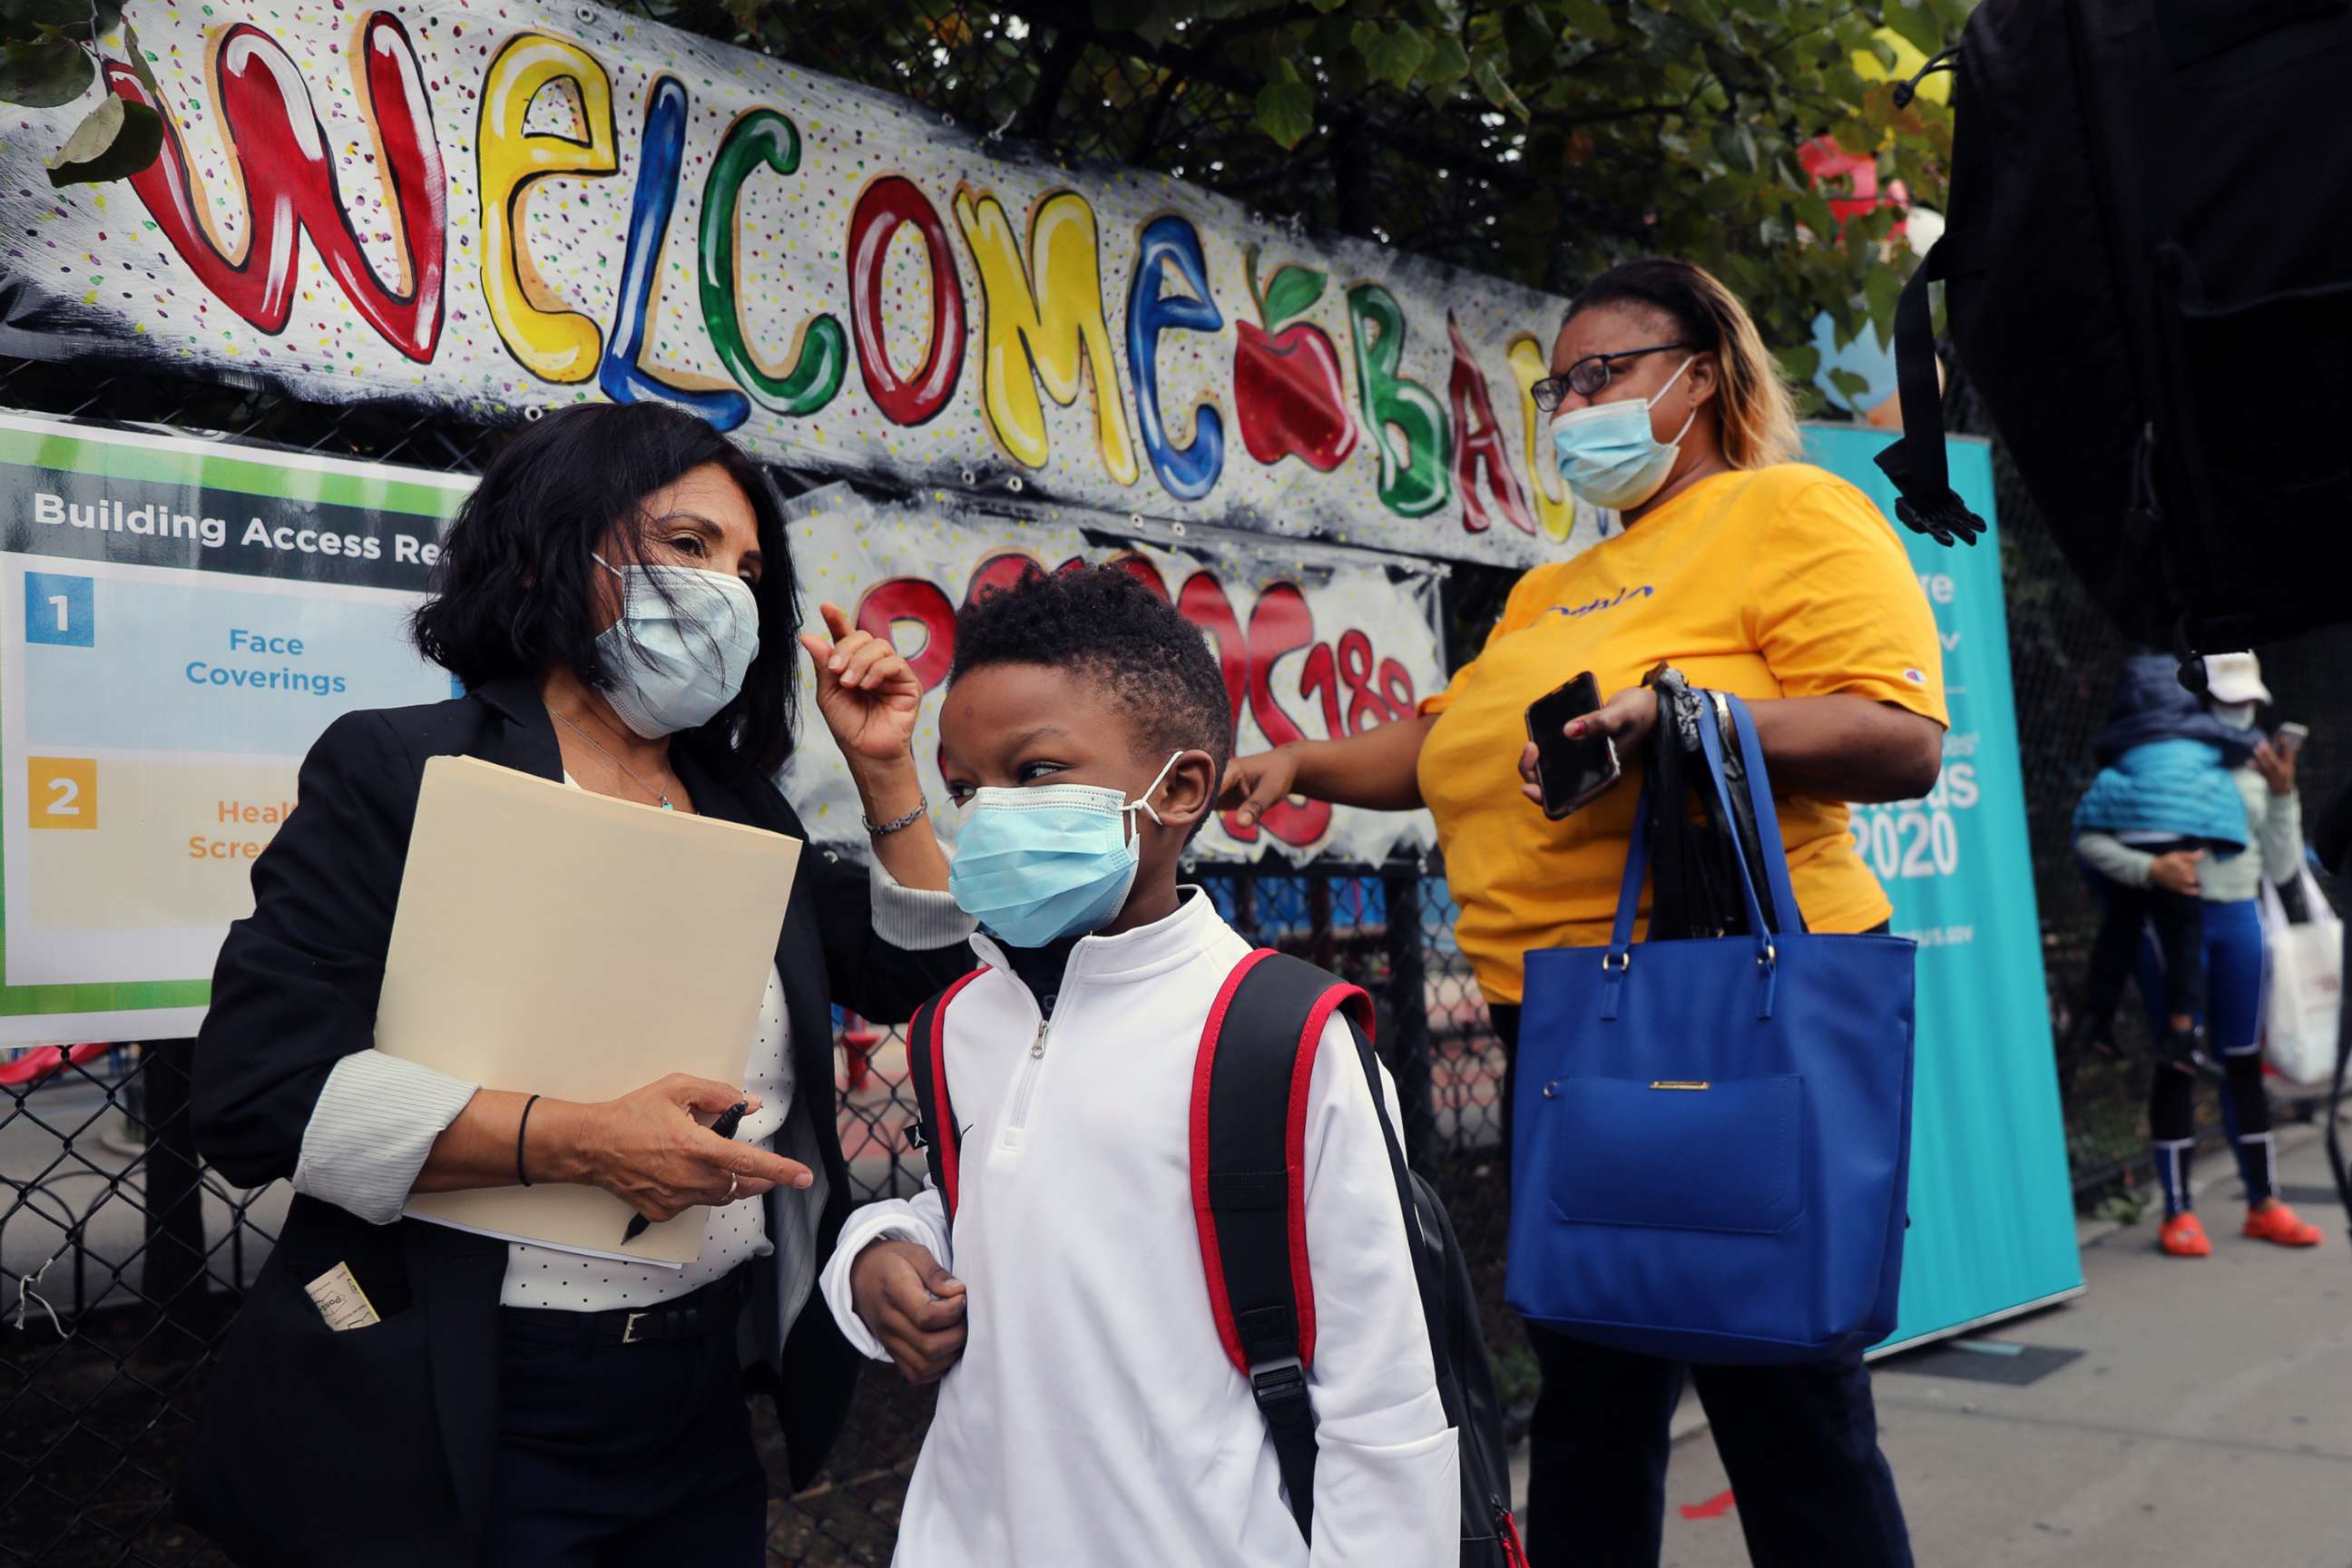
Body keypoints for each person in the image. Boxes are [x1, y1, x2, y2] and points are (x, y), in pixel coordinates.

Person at [1220, 258, 1944, 1567]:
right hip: (1557, 1027)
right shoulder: (1556, 589)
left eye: (1606, 374)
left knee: (1784, 1401)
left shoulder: (1793, 511)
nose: (1574, 407)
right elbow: (1443, 746)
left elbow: (1897, 738)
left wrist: (1676, 718)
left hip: (1727, 1006)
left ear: (1703, 376)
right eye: (1560, 386)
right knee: (1593, 1402)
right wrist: (1302, 764)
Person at [179, 403, 975, 1567]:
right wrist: (573, 1141)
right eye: (688, 546)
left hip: (700, 1404)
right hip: (469, 1404)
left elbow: (917, 973)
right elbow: (256, 1095)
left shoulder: (741, 805)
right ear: (550, 546)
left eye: (751, 569)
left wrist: (885, 767)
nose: (728, 591)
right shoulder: (405, 769)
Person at [818, 565, 1458, 1567]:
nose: (989, 818)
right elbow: (984, 1203)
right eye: (965, 790)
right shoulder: (958, 1022)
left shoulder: (1282, 1039)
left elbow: (1383, 1407)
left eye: (1033, 775)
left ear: (1185, 789)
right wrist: (878, 1248)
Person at [2076, 651, 2323, 1256]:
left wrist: (2285, 797)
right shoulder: (2153, 759)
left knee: (2242, 1059)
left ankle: (2263, 1203)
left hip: (2241, 921)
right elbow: (2090, 841)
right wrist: (2149, 868)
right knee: (2177, 1058)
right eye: (2227, 699)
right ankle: (2177, 1212)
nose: (2239, 712)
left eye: (2249, 702)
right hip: (2169, 924)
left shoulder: (2258, 768)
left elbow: (2284, 865)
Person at [2065, 652, 2259, 1070]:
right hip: (2179, 841)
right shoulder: (2200, 743)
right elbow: (2234, 766)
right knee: (2183, 941)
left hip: (2131, 839)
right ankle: (2181, 1033)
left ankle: (2094, 1018)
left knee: (2118, 932)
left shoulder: (2127, 747)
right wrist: (2223, 837)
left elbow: (2089, 822)